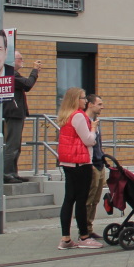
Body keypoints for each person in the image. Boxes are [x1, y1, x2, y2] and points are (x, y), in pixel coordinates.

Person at [56, 87, 102, 250]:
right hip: (81, 162)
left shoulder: (65, 115)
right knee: (81, 200)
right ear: (76, 100)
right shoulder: (78, 116)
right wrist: (93, 128)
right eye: (83, 98)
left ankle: (66, 238)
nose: (85, 101)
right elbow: (88, 140)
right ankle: (84, 236)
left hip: (68, 162)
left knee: (69, 199)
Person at [2, 50, 41, 183]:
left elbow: (26, 86)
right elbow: (27, 84)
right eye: (20, 58)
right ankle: (7, 174)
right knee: (12, 145)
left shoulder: (12, 74)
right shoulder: (11, 74)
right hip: (13, 113)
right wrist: (34, 71)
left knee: (16, 146)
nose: (22, 61)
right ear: (12, 61)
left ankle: (13, 173)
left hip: (16, 113)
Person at [83, 94, 107, 236]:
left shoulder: (96, 121)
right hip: (91, 164)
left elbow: (98, 143)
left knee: (96, 199)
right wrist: (89, 163)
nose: (102, 107)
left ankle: (89, 227)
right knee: (89, 199)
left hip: (99, 163)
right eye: (99, 104)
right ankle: (84, 229)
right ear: (90, 104)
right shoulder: (84, 121)